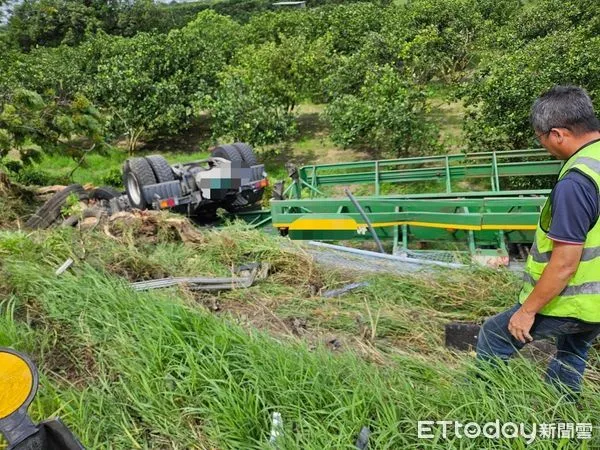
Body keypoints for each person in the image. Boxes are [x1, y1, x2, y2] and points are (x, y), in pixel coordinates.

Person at [476, 85, 600, 398]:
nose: (543, 145)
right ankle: (561, 421)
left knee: (494, 334)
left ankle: (477, 406)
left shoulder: (576, 182)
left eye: (541, 137)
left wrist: (528, 311)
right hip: (596, 303)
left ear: (558, 134)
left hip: (574, 301)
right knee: (572, 353)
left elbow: (564, 263)